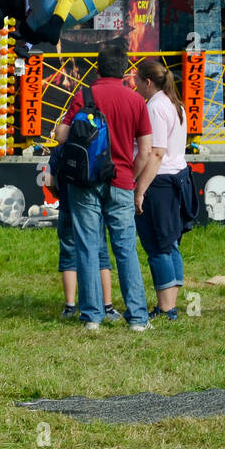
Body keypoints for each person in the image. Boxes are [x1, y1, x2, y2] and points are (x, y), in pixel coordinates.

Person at [52, 41, 152, 331]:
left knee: (87, 246)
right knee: (125, 249)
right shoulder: (135, 101)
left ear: (97, 68)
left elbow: (61, 136)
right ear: (125, 71)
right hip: (121, 181)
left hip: (85, 181)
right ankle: (137, 318)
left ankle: (91, 317)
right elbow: (145, 150)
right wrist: (130, 177)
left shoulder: (85, 96)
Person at [132, 58, 197, 320]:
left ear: (147, 82)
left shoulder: (155, 107)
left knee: (158, 245)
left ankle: (166, 308)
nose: (134, 84)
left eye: (136, 80)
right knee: (170, 244)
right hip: (177, 177)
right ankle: (170, 303)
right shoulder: (173, 102)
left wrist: (140, 190)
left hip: (160, 183)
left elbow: (156, 153)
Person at [47, 146, 123, 323]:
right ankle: (107, 306)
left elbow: (48, 178)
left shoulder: (61, 149)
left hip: (67, 208)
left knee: (68, 256)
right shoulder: (99, 145)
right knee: (101, 255)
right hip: (92, 209)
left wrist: (56, 193)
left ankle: (70, 306)